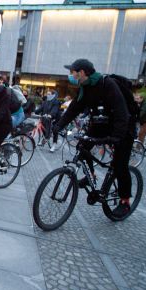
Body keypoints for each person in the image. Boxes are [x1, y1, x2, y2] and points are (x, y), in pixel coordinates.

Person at [53, 58, 135, 218]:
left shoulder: (107, 84)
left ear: (82, 72)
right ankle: (92, 174)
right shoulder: (85, 88)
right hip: (101, 124)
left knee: (119, 164)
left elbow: (121, 112)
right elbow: (74, 109)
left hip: (123, 126)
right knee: (82, 145)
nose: (71, 75)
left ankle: (125, 201)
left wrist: (116, 137)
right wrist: (58, 126)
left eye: (73, 72)